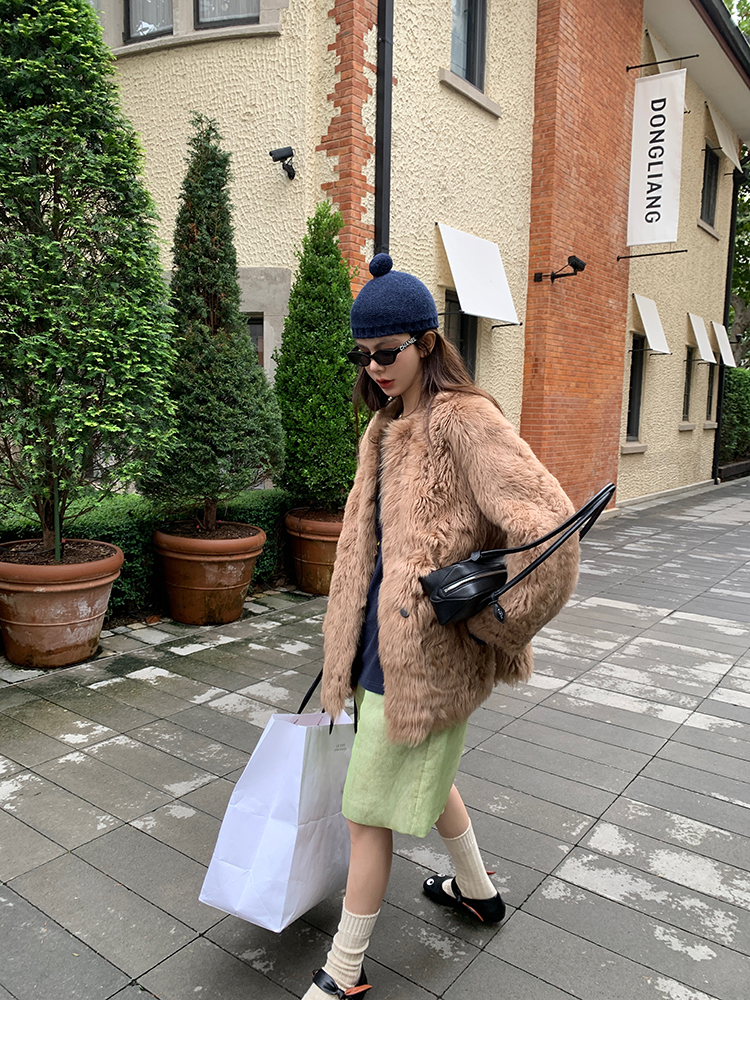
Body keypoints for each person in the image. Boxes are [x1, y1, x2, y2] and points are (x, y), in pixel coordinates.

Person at [302, 254, 579, 1000]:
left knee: (366, 815)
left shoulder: (465, 419)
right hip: (376, 645)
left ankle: (344, 973)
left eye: (386, 352)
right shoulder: (385, 424)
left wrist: (495, 625)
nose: (375, 367)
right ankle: (477, 892)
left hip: (427, 655)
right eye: (363, 355)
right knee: (428, 773)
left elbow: (550, 529)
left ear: (426, 342)